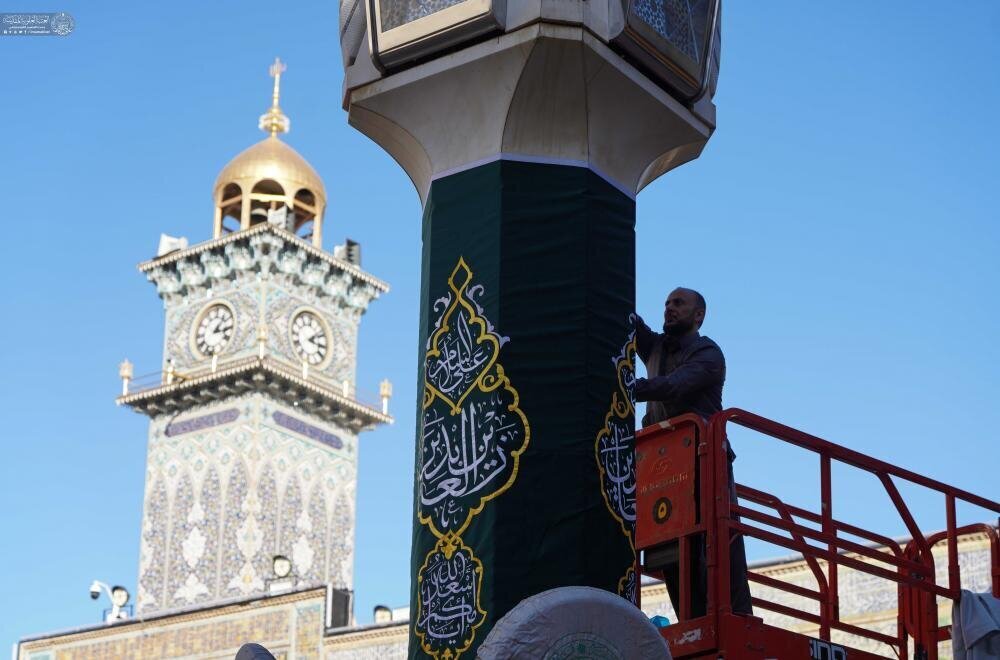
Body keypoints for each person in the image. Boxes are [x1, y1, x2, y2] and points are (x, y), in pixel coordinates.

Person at [633, 287, 753, 617]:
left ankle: (731, 617)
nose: (669, 308)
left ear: (698, 314)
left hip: (704, 463)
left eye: (678, 303)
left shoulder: (708, 354)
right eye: (667, 303)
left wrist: (628, 387)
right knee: (668, 549)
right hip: (663, 466)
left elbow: (673, 385)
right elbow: (630, 324)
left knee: (712, 543)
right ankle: (691, 618)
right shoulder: (656, 346)